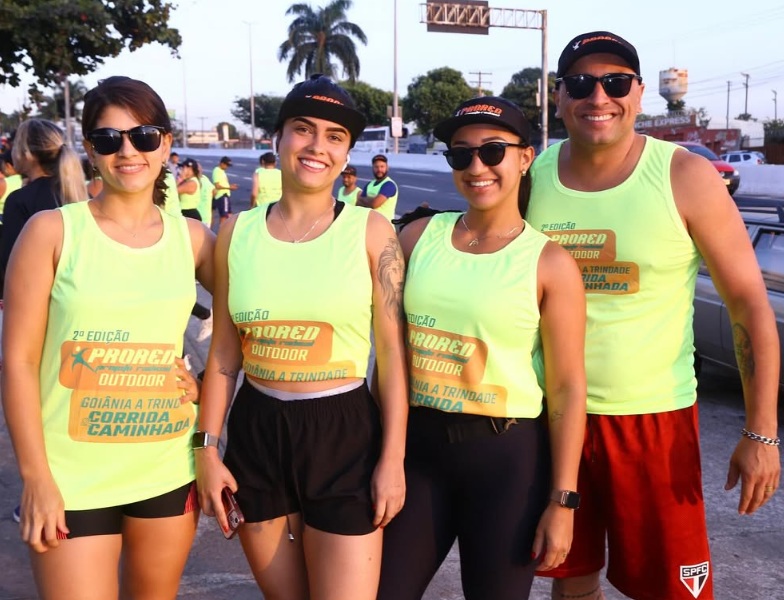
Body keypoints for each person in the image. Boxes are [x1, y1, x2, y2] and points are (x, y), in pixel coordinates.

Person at [526, 31, 781, 600]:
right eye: (581, 83)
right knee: (570, 579)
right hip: (553, 418)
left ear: (640, 94)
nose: (599, 97)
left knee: (672, 591)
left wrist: (762, 431)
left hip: (653, 422)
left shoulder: (684, 177)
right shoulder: (534, 176)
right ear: (560, 97)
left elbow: (749, 306)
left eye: (616, 82)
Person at [195, 74, 408, 600]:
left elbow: (394, 358)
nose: (318, 146)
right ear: (279, 137)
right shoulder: (235, 233)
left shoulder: (370, 232)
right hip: (257, 432)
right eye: (303, 129)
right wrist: (208, 449)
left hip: (345, 435)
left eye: (335, 136)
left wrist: (392, 459)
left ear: (348, 152)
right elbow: (224, 354)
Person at [1, 75, 215, 600]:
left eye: (143, 136)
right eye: (107, 139)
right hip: (71, 477)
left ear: (165, 144)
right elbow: (18, 363)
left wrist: (208, 387)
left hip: (166, 468)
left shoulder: (192, 239)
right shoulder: (52, 232)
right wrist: (36, 479)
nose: (127, 151)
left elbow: (252, 320)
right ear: (90, 150)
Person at [377, 96, 587, 600]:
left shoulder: (550, 264)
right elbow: (385, 351)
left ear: (525, 157)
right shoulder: (417, 236)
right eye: (461, 155)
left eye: (493, 151)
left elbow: (566, 388)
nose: (477, 167)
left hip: (506, 460)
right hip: (418, 452)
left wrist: (563, 501)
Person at [0, 119, 87, 294]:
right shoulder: (81, 195)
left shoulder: (20, 200)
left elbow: (9, 267)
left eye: (16, 143)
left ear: (27, 153)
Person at [357, 154, 398, 220]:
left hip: (384, 226)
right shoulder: (369, 184)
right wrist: (370, 199)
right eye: (376, 167)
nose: (379, 169)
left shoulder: (389, 185)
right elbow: (358, 204)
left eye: (382, 167)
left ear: (387, 167)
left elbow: (374, 204)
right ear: (373, 168)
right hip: (369, 224)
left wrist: (362, 199)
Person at [212, 156, 238, 224]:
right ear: (221, 163)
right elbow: (217, 185)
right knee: (224, 216)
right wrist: (229, 188)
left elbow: (222, 183)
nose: (227, 167)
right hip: (222, 196)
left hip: (225, 195)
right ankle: (222, 231)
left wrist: (230, 186)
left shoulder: (221, 171)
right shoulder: (217, 171)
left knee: (229, 215)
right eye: (226, 165)